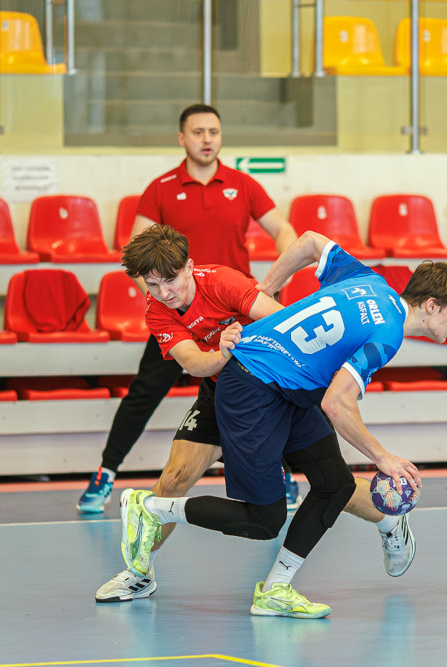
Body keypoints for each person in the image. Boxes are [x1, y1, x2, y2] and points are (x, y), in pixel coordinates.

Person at [118, 229, 447, 618]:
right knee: (263, 521)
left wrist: (265, 288)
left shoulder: (368, 280)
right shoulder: (388, 334)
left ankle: (276, 589)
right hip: (253, 387)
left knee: (335, 485)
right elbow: (336, 404)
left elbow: (309, 242)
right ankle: (152, 508)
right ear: (431, 305)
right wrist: (382, 457)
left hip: (290, 385)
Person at [77, 103, 298, 514]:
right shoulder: (160, 188)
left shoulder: (243, 184)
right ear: (182, 138)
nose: (207, 139)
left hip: (236, 316)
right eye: (198, 132)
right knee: (144, 393)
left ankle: (282, 472)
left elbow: (283, 230)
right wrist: (160, 297)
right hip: (181, 317)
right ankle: (106, 473)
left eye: (213, 131)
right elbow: (133, 253)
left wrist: (276, 279)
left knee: (267, 391)